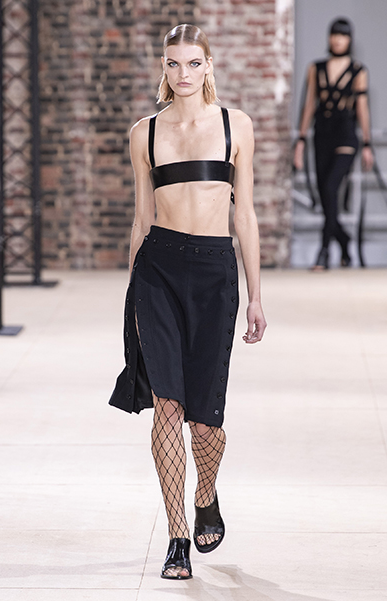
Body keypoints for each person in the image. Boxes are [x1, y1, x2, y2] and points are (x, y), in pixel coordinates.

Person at [109, 23, 266, 580]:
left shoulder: (235, 125)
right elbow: (141, 218)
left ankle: (206, 495)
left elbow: (245, 214)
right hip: (158, 270)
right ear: (163, 66)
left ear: (209, 66)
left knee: (204, 423)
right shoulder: (145, 132)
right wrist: (132, 294)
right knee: (167, 406)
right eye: (173, 63)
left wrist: (255, 295)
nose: (183, 73)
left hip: (214, 271)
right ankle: (177, 536)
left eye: (193, 63)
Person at [294, 17, 374, 270]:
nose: (338, 40)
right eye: (335, 34)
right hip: (322, 135)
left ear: (350, 39)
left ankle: (324, 251)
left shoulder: (359, 71)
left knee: (330, 189)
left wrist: (368, 143)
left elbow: (362, 108)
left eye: (343, 35)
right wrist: (301, 140)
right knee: (325, 194)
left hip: (346, 135)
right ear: (329, 38)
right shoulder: (315, 68)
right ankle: (343, 239)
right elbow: (309, 105)